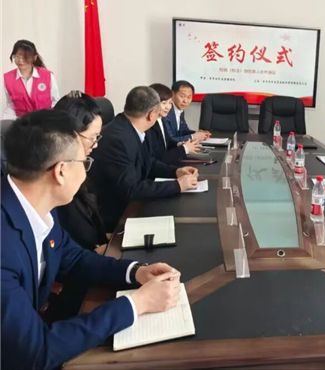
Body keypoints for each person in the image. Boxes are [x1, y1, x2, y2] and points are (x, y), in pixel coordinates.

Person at [1, 109, 181, 370]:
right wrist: (137, 304)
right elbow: (36, 352)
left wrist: (136, 272)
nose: (87, 172)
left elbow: (72, 258)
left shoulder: (35, 206)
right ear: (61, 171)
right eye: (84, 162)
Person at [88, 86, 199, 231]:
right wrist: (177, 185)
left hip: (132, 201)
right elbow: (131, 189)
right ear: (152, 114)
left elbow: (148, 162)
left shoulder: (131, 127)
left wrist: (175, 172)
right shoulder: (118, 140)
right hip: (118, 214)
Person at [53, 91, 107, 251]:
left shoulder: (80, 165)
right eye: (92, 137)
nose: (95, 144)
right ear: (70, 135)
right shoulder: (58, 180)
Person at [4, 40, 60, 119]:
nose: (21, 60)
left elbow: (56, 102)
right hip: (21, 122)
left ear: (34, 57)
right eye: (17, 56)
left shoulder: (47, 76)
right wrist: (7, 121)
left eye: (25, 57)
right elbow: (11, 105)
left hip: (45, 121)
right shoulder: (7, 78)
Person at [147, 83, 202, 165]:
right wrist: (185, 149)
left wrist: (179, 144)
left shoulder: (160, 119)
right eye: (164, 103)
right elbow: (160, 157)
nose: (168, 107)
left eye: (170, 103)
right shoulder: (150, 125)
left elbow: (167, 141)